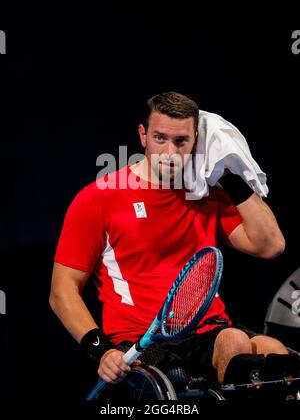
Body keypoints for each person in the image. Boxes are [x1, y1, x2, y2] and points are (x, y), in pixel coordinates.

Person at [50, 92, 287, 390]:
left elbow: (271, 246)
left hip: (207, 332)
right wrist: (101, 350)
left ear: (196, 141)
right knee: (238, 343)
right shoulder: (98, 198)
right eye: (160, 138)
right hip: (141, 341)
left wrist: (228, 174)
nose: (170, 152)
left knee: (275, 352)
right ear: (143, 135)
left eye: (181, 142)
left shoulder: (206, 192)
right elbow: (62, 290)